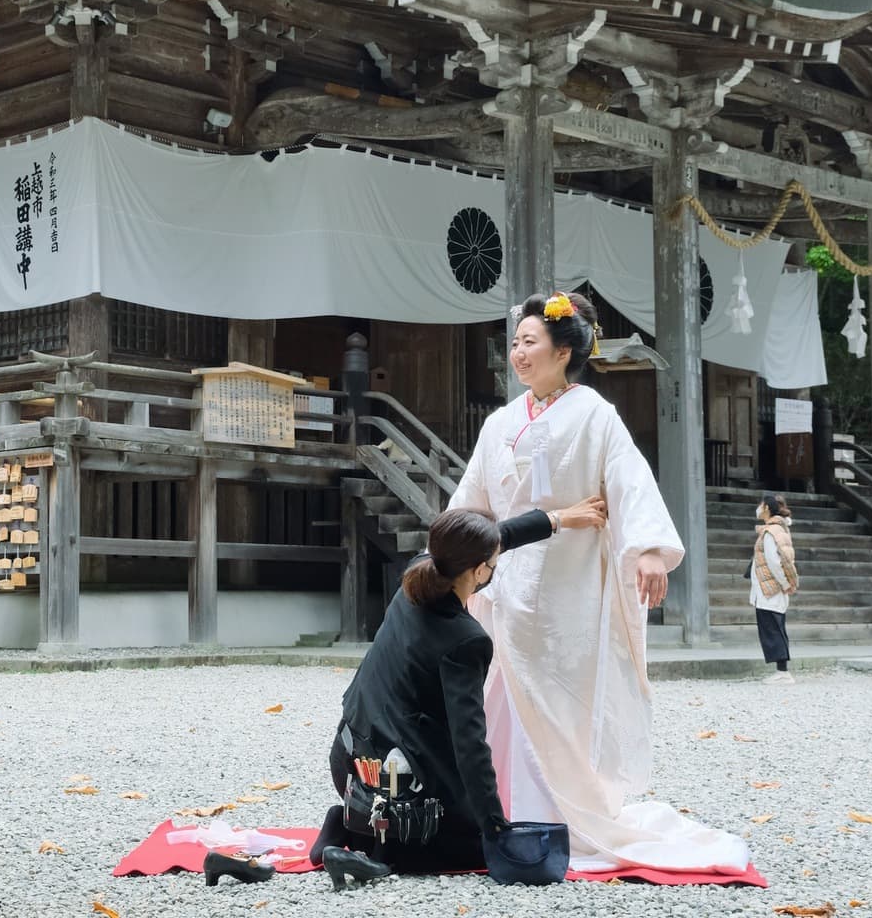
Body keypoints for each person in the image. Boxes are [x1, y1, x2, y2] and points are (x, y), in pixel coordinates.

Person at [446, 291, 750, 875]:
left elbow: (629, 482)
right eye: (515, 343)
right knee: (497, 696)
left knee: (559, 696)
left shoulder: (594, 415)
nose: (518, 353)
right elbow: (471, 501)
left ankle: (557, 818)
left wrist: (650, 551)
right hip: (505, 583)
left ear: (564, 352)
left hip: (569, 583)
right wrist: (454, 554)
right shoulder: (500, 423)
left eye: (529, 342)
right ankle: (497, 812)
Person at [309, 500, 607, 887]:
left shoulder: (418, 572)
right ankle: (375, 847)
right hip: (405, 786)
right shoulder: (464, 640)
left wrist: (556, 520)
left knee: (421, 807)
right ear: (481, 569)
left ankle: (349, 823)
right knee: (467, 846)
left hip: (350, 760)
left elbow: (492, 539)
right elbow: (470, 744)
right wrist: (494, 827)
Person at [750, 493, 799, 684]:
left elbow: (774, 561)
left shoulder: (771, 532)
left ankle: (783, 672)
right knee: (775, 628)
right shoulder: (777, 529)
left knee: (773, 630)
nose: (758, 508)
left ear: (767, 508)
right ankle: (782, 670)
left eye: (760, 505)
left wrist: (785, 584)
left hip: (770, 588)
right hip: (769, 587)